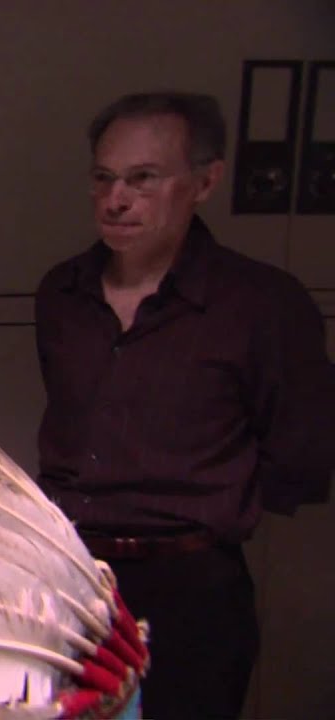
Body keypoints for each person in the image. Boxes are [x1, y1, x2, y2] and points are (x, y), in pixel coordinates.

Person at [34, 91, 335, 719]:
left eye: (144, 179)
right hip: (70, 576)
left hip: (190, 587)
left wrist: (209, 508)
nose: (116, 200)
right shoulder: (62, 293)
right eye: (104, 178)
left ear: (204, 182)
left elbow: (301, 455)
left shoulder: (261, 304)